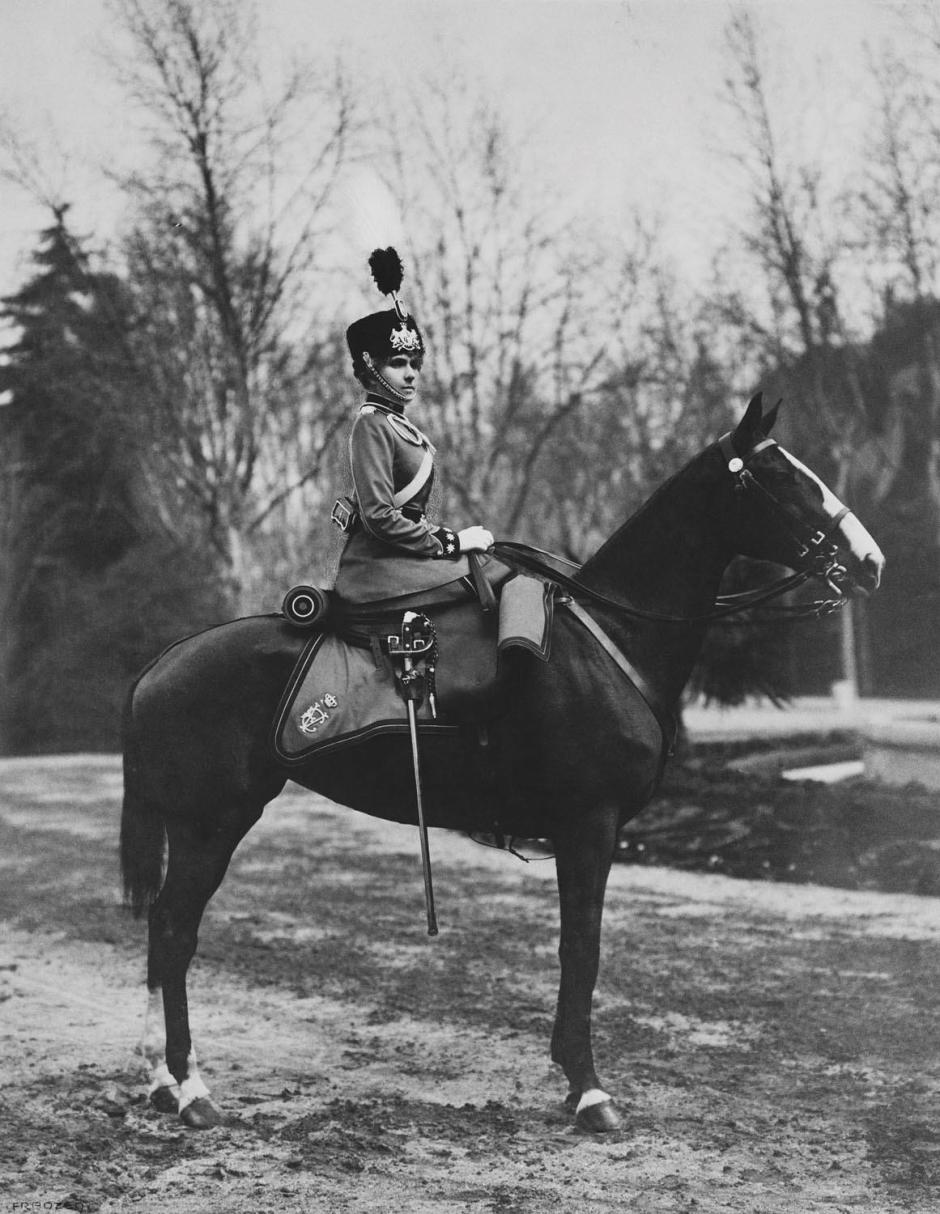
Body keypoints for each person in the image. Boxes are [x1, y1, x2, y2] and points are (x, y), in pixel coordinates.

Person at [332, 248, 493, 602]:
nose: (410, 373)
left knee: (495, 568)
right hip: (377, 568)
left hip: (405, 560)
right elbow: (378, 517)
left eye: (415, 363)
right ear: (371, 367)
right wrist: (450, 541)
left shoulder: (397, 426)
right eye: (398, 362)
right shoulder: (372, 426)